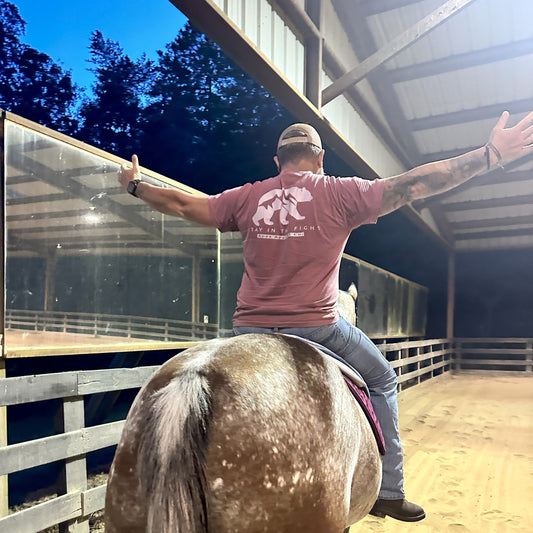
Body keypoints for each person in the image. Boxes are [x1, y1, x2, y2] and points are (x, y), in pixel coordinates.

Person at [117, 111, 533, 522]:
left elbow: (182, 204)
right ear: (319, 158)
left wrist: (136, 186)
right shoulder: (340, 192)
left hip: (248, 327)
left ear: (277, 162)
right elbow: (415, 183)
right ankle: (389, 491)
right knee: (383, 379)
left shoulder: (246, 197)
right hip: (317, 327)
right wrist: (490, 155)